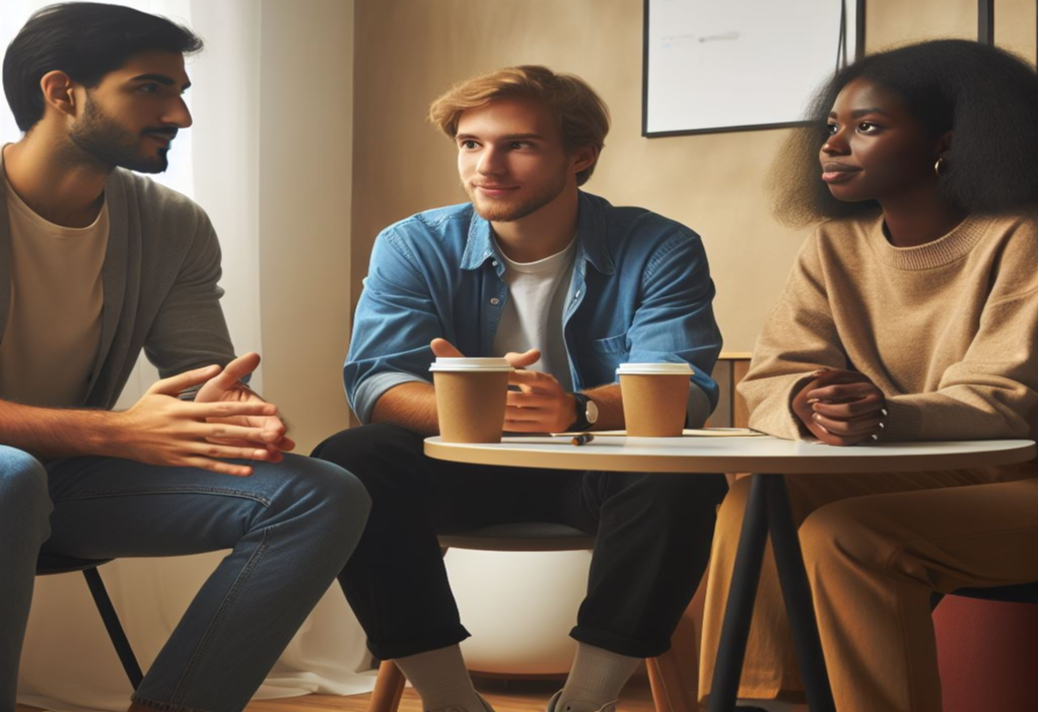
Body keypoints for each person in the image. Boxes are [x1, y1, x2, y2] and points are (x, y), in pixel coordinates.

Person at [313, 66, 728, 713]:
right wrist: (479, 406)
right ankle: (450, 701)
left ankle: (587, 700)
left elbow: (688, 387)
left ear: (580, 155)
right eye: (471, 143)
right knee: (350, 459)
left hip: (599, 472)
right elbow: (376, 381)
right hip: (460, 470)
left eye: (519, 144)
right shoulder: (413, 244)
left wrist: (575, 408)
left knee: (681, 474)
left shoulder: (659, 246)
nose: (487, 165)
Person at [0, 5, 370, 712]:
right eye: (149, 88)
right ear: (61, 91)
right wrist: (113, 431)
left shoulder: (171, 223)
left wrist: (235, 415)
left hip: (62, 484)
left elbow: (206, 371)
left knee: (323, 492)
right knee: (11, 476)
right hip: (16, 476)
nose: (180, 115)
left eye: (182, 91)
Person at [698, 39, 1038, 713]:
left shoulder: (1019, 236)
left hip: (1021, 477)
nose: (831, 146)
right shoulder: (833, 246)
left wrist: (882, 413)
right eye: (832, 128)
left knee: (848, 537)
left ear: (946, 142)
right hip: (929, 468)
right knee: (752, 502)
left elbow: (1004, 399)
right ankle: (759, 702)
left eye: (868, 127)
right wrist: (805, 402)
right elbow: (770, 374)